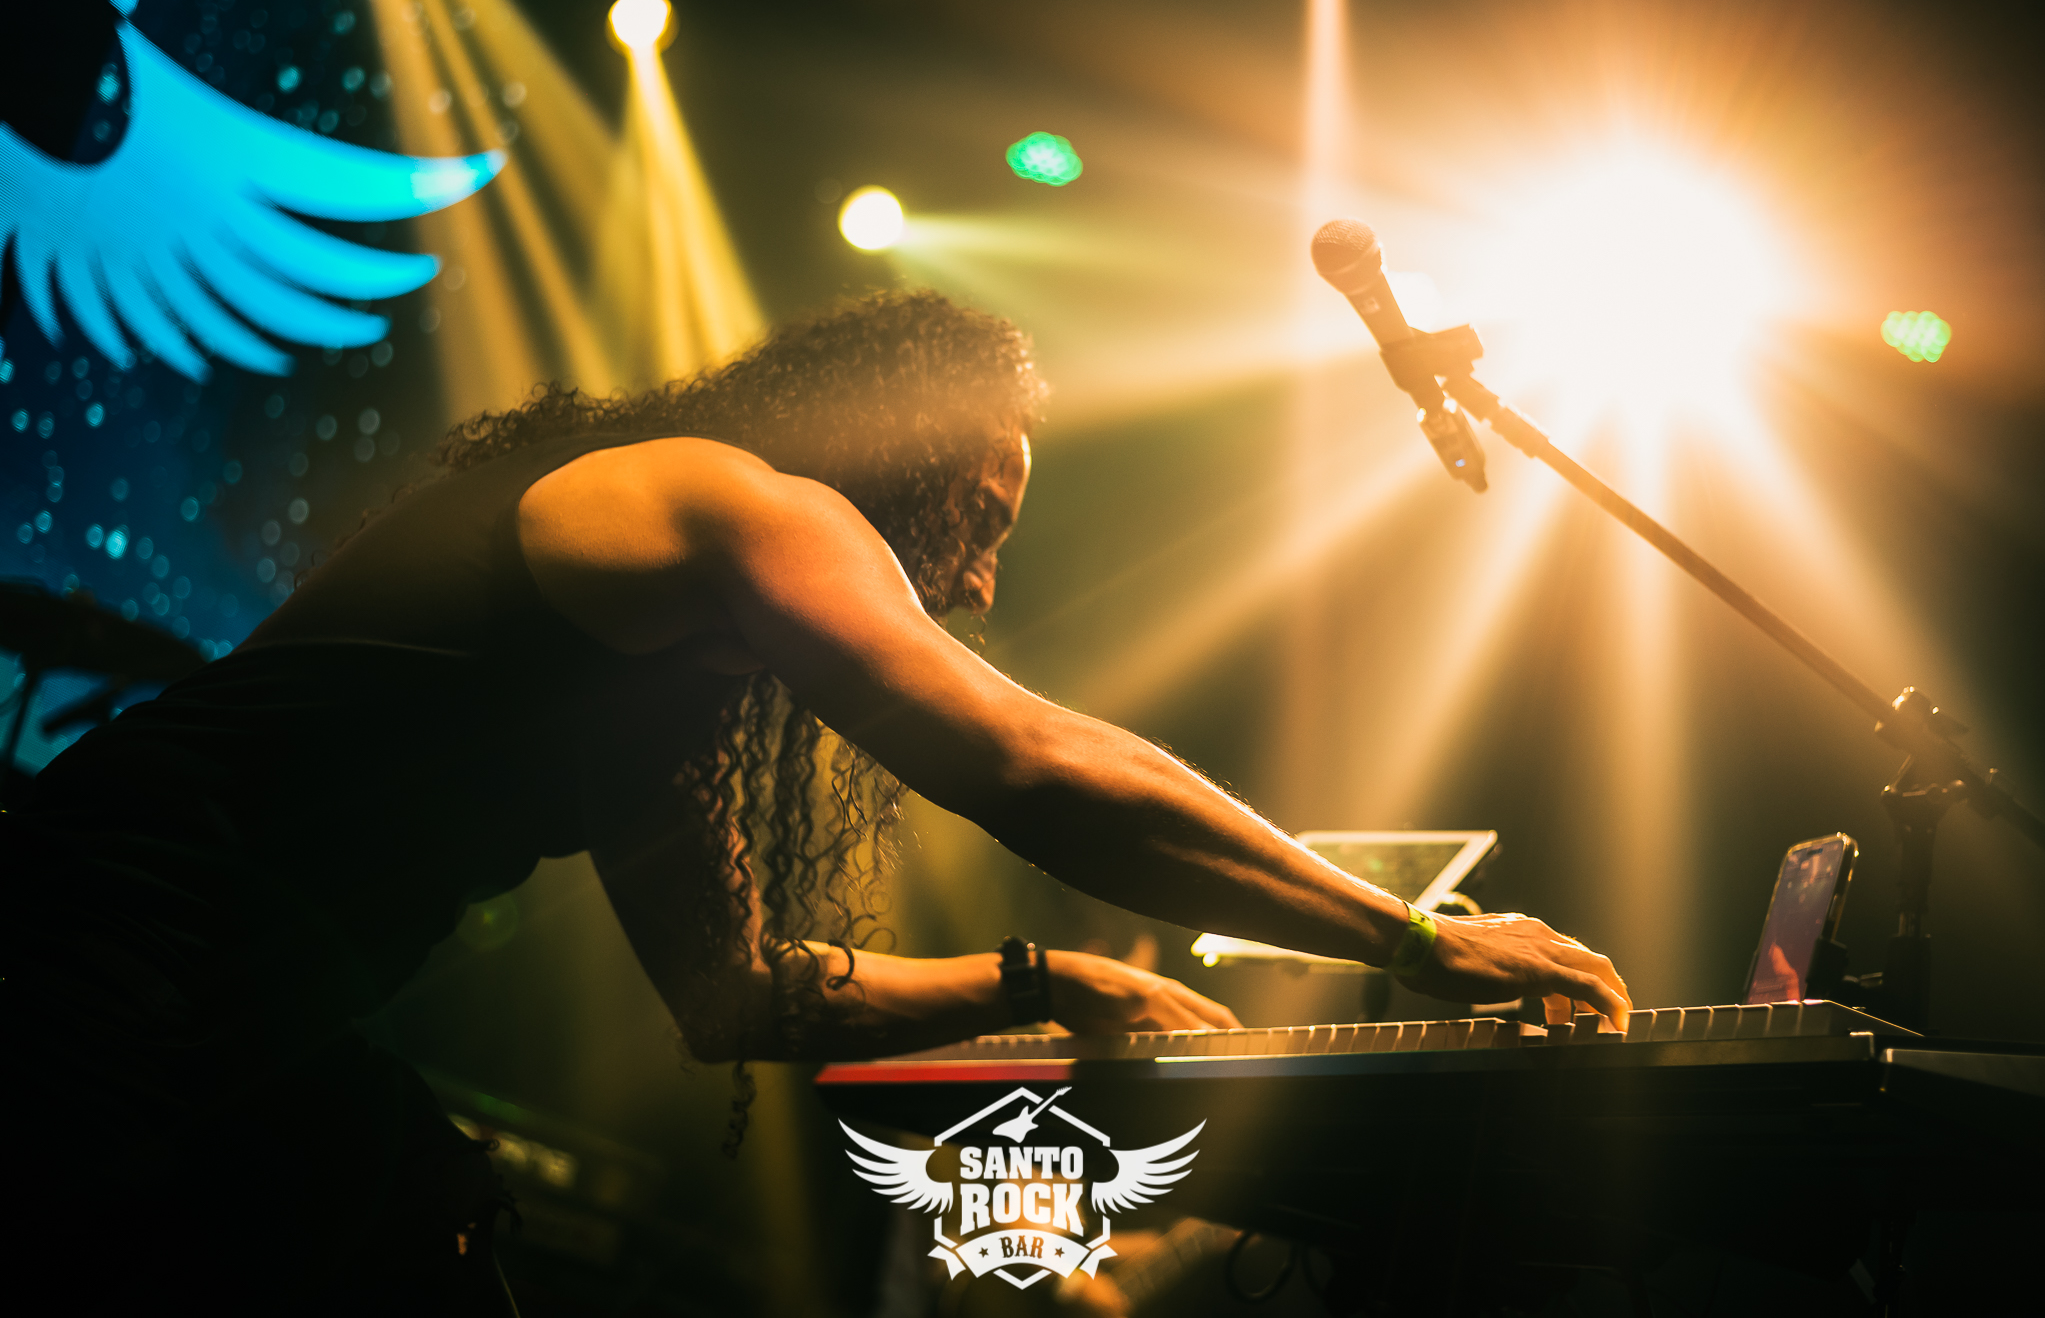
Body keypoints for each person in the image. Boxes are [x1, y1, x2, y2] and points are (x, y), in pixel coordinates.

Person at [6, 290, 1629, 1311]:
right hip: (99, 970)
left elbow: (737, 995)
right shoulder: (721, 501)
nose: (976, 583)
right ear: (895, 452)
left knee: (415, 1222)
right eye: (975, 517)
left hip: (211, 1005)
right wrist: (1416, 940)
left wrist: (1045, 977)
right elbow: (1026, 762)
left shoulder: (639, 665)